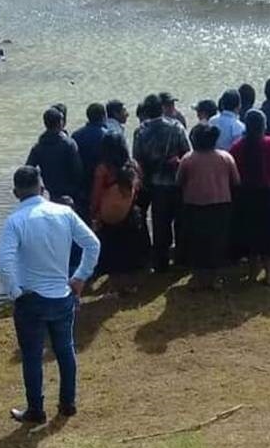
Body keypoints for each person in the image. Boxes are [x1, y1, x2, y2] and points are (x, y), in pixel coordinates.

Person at [0, 166, 100, 425]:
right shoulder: (64, 213)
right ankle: (68, 403)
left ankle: (36, 410)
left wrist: (15, 292)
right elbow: (92, 244)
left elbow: (3, 264)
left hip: (31, 299)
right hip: (62, 294)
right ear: (42, 188)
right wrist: (79, 277)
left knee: (32, 356)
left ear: (15, 192)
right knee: (65, 350)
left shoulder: (15, 221)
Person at [176, 123, 240, 290]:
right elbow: (236, 181)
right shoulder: (225, 157)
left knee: (196, 243)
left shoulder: (188, 159)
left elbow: (178, 181)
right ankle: (215, 279)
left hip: (194, 206)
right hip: (221, 206)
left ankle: (198, 279)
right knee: (217, 243)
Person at [230, 110, 270, 286]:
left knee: (250, 236)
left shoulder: (237, 146)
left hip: (246, 197)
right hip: (269, 196)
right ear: (264, 125)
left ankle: (251, 274)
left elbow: (232, 175)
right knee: (269, 237)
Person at [133, 93, 190, 272]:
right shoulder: (177, 127)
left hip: (155, 184)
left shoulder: (140, 131)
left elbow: (137, 160)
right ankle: (182, 258)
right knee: (180, 222)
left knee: (160, 224)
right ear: (162, 108)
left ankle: (161, 262)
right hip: (177, 181)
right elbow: (188, 153)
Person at [90, 133, 150, 296]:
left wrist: (94, 213)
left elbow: (97, 194)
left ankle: (116, 288)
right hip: (130, 213)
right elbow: (139, 189)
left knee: (112, 252)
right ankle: (132, 285)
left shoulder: (104, 169)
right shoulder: (133, 165)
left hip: (110, 217)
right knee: (130, 250)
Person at [26, 107, 83, 205]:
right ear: (60, 123)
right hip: (70, 192)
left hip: (51, 191)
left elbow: (28, 169)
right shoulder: (69, 144)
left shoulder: (38, 147)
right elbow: (78, 171)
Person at [72, 103, 108, 216]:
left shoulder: (76, 135)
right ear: (104, 116)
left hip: (83, 182)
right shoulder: (108, 135)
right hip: (103, 181)